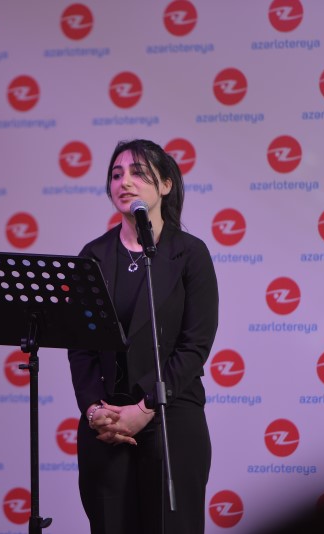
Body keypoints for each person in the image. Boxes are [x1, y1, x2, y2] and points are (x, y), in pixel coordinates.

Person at [68, 139, 219, 534]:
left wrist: (147, 406)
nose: (125, 182)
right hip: (107, 422)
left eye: (138, 173)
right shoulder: (93, 256)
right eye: (116, 174)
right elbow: (80, 348)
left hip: (173, 415)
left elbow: (195, 345)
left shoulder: (190, 254)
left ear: (166, 184)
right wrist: (94, 411)